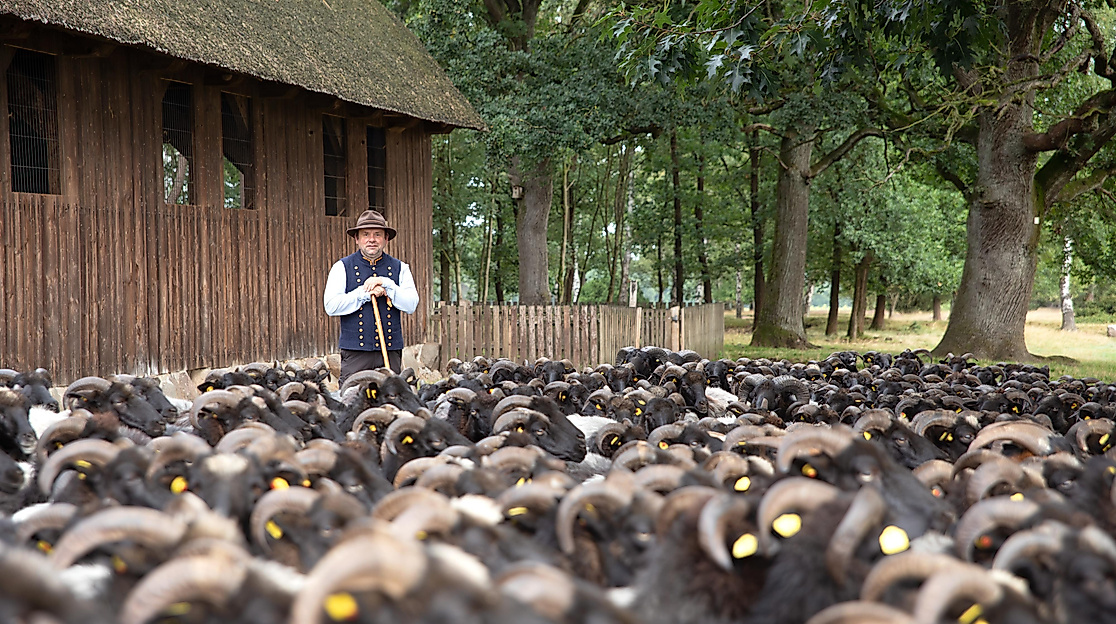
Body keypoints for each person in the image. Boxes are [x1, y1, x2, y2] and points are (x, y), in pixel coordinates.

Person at [323, 210, 419, 384]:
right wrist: (365, 293)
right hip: (355, 355)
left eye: (377, 234)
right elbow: (331, 306)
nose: (372, 239)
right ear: (357, 239)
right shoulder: (341, 267)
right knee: (351, 398)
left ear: (386, 239)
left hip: (390, 352)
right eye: (366, 234)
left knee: (392, 399)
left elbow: (411, 304)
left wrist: (387, 285)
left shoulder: (401, 268)